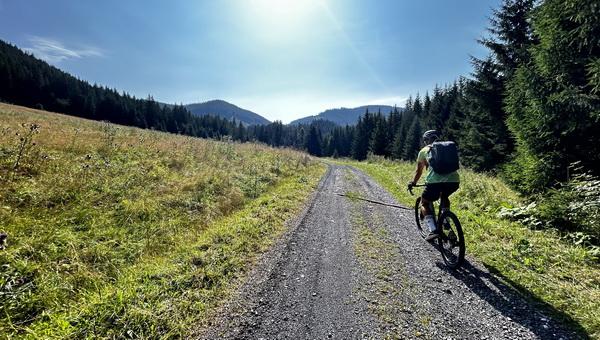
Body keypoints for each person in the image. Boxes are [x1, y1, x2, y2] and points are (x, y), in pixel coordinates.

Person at [407, 130, 460, 241]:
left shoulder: (424, 151)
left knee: (424, 202)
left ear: (426, 140)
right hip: (454, 181)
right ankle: (446, 220)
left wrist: (413, 182)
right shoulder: (446, 149)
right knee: (444, 196)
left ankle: (433, 230)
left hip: (434, 182)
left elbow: (419, 171)